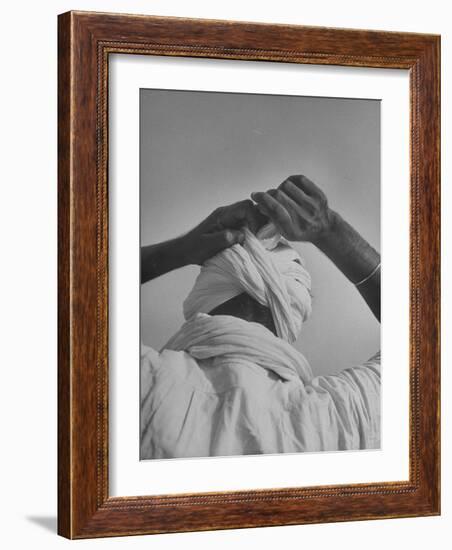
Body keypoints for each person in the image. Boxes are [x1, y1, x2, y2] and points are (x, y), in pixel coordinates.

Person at [140, 175, 381, 459]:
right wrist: (329, 229)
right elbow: (429, 326)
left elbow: (76, 281)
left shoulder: (143, 380)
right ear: (297, 305)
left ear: (203, 289)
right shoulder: (339, 416)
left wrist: (182, 250)